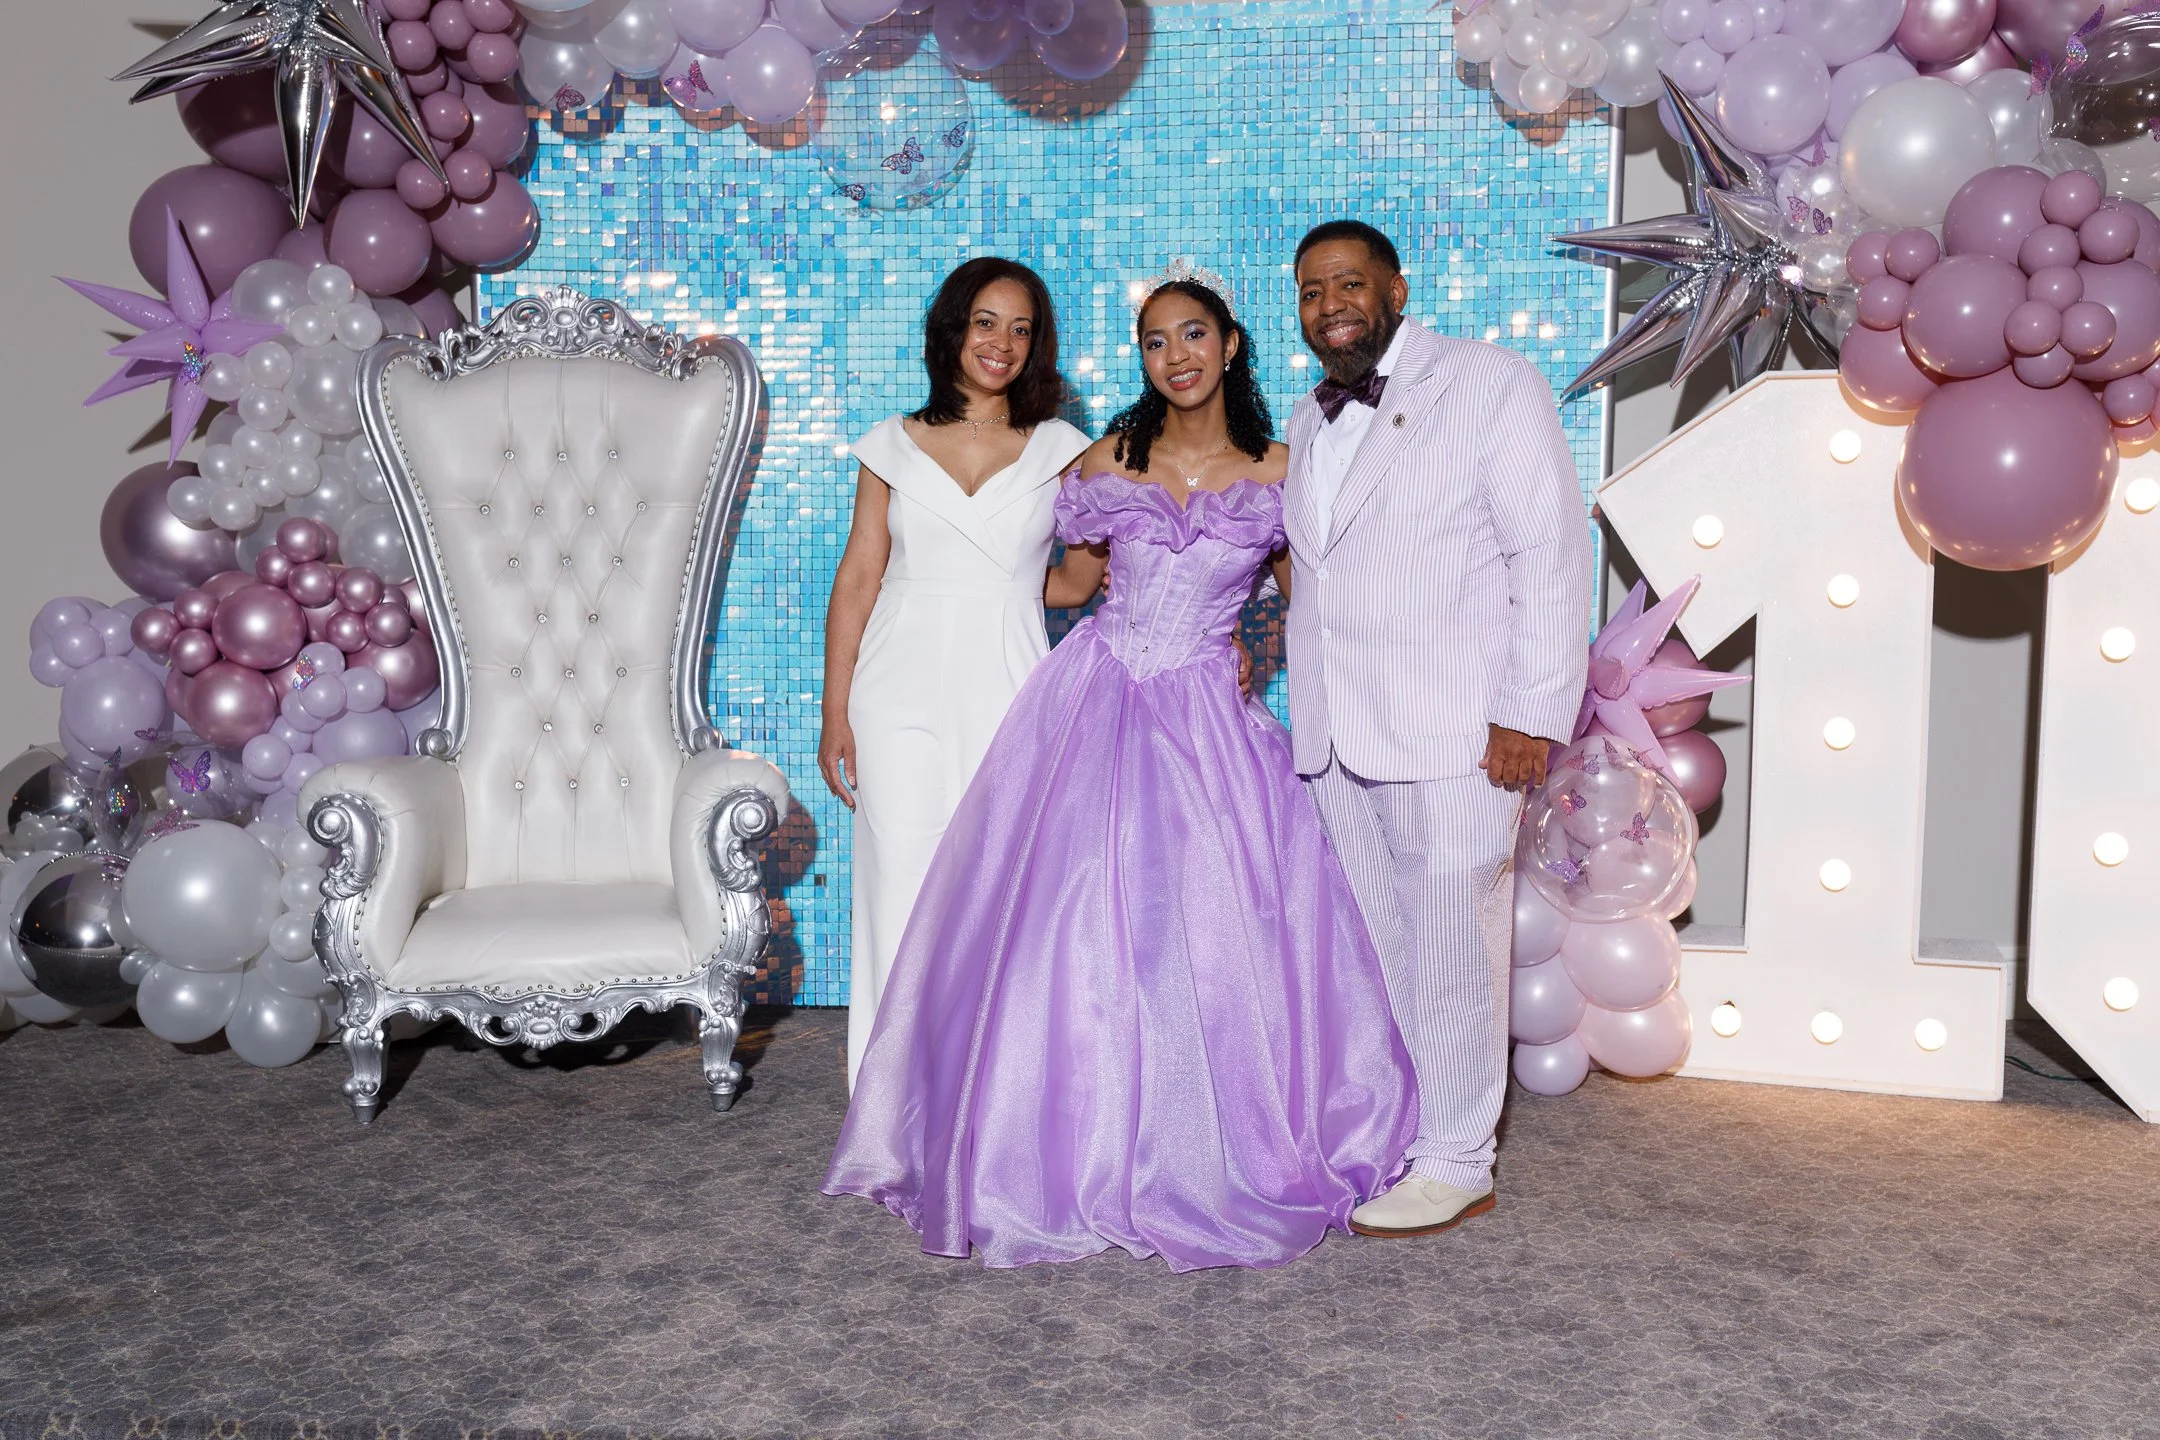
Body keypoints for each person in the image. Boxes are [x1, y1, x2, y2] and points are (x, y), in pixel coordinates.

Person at [824, 264, 1417, 1271]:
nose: (1174, 357)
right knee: (1067, 929)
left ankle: (1200, 1143)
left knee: (1209, 930)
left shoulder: (1283, 467)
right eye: (1153, 342)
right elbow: (1069, 580)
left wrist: (1247, 650)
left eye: (1192, 336)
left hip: (1207, 720)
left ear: (1230, 345)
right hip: (1094, 698)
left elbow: (1308, 598)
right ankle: (1038, 1135)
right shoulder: (1105, 457)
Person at [1283, 220, 1592, 1237]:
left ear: (1397, 288)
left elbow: (1545, 552)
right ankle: (1414, 1133)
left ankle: (1460, 1158)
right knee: (1391, 948)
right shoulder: (1308, 417)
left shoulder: (1489, 383)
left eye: (1351, 283)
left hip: (1465, 727)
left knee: (1459, 941)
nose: (1333, 304)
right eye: (1313, 289)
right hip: (1341, 733)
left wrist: (1530, 711)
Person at [820, 258, 1093, 1090]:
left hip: (1011, 687)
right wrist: (837, 712)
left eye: (1020, 328)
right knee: (899, 878)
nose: (1000, 343)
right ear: (952, 330)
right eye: (985, 322)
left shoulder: (1064, 451)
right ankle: (889, 1088)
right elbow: (860, 575)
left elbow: (1077, 583)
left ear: (1037, 345)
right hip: (896, 688)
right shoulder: (891, 444)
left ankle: (990, 1089)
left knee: (999, 891)